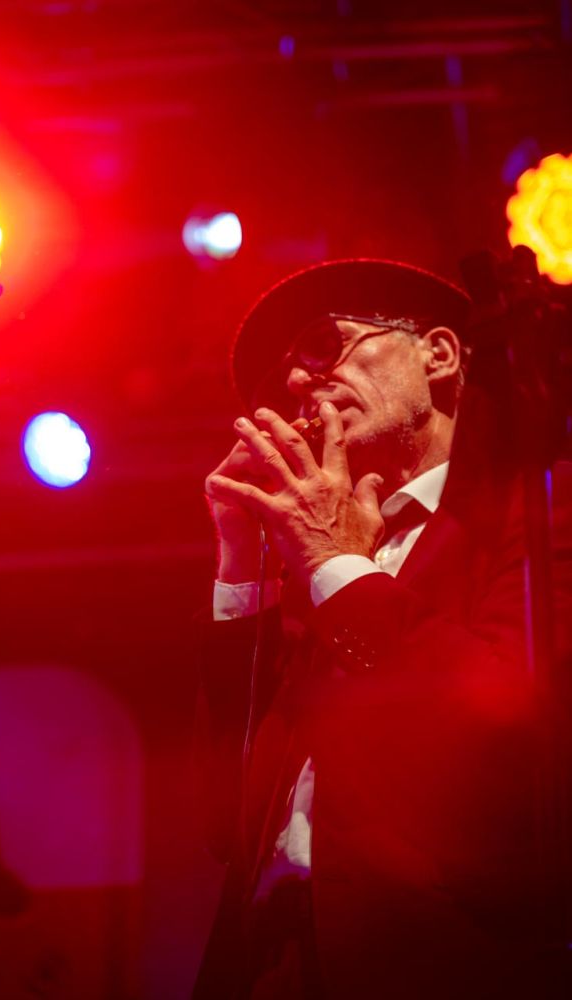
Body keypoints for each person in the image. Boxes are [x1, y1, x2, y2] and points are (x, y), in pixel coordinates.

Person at [194, 259, 572, 999]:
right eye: (282, 384)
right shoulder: (314, 568)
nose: (297, 385)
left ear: (438, 354)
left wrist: (337, 567)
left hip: (439, 964)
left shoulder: (537, 507)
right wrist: (242, 568)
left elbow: (501, 736)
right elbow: (223, 824)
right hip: (274, 967)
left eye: (322, 345)